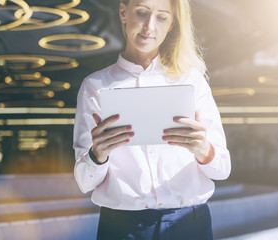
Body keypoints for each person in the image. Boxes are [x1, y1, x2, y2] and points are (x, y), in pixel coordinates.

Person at [73, 0, 231, 239]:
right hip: (121, 227)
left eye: (161, 17)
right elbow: (84, 182)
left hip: (190, 225)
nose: (149, 26)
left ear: (171, 25)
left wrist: (203, 149)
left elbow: (222, 169)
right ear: (123, 12)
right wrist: (98, 155)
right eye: (142, 13)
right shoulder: (96, 87)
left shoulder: (191, 81)